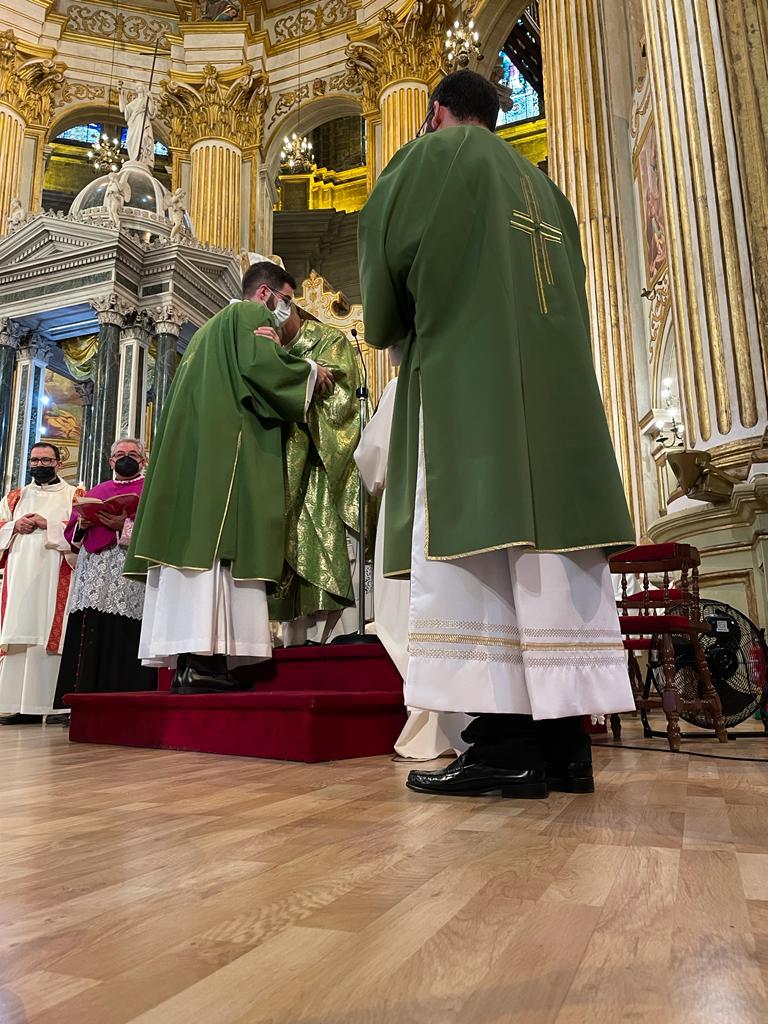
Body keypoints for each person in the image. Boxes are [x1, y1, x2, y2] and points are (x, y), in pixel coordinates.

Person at [357, 69, 636, 798]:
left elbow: (383, 258)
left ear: (436, 114)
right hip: (559, 397)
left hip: (468, 383)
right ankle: (564, 745)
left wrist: (387, 323)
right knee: (550, 560)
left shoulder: (430, 157)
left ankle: (504, 744)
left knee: (478, 547)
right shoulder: (547, 188)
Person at [124, 262, 336, 692]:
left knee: (193, 550)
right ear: (264, 293)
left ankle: (191, 664)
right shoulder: (248, 315)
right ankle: (207, 664)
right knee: (221, 549)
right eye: (287, 300)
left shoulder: (205, 333)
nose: (287, 311)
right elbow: (263, 369)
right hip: (230, 454)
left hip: (199, 457)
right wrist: (313, 373)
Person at [354, 377, 471, 760]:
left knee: (409, 607)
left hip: (407, 503)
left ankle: (431, 706)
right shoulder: (466, 374)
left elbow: (372, 457)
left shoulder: (402, 384)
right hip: (461, 504)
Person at [270, 304, 362, 645]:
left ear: (286, 302)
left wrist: (298, 376)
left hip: (320, 466)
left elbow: (341, 399)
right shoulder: (267, 350)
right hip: (279, 469)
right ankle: (294, 636)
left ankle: (336, 632)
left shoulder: (328, 339)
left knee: (324, 542)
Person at [53, 438, 156, 709]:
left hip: (128, 571)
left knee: (124, 631)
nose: (126, 458)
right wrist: (84, 522)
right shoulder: (97, 489)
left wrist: (126, 525)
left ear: (143, 461)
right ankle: (85, 702)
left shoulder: (151, 488)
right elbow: (73, 537)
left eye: (133, 454)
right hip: (93, 571)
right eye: (120, 454)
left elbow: (159, 529)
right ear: (110, 461)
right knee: (91, 628)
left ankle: (127, 702)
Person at [0, 442, 78, 724]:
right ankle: (17, 705)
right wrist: (13, 526)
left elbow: (82, 531)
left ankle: (53, 707)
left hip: (55, 576)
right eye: (35, 460)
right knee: (20, 634)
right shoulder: (14, 498)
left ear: (58, 463)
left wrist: (50, 525)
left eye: (46, 460)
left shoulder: (74, 495)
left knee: (49, 637)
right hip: (19, 575)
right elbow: (0, 525)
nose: (40, 465)